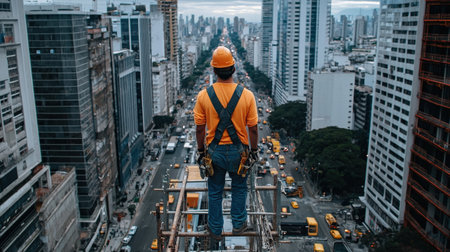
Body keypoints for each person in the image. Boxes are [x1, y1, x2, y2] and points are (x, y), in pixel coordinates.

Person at [194, 46, 259, 240]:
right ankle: (239, 225)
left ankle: (215, 229)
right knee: (239, 188)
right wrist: (253, 151)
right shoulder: (247, 95)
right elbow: (253, 128)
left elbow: (199, 129)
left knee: (215, 191)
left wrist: (200, 151)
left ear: (214, 70)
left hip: (215, 153)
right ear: (233, 68)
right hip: (240, 154)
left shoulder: (204, 96)